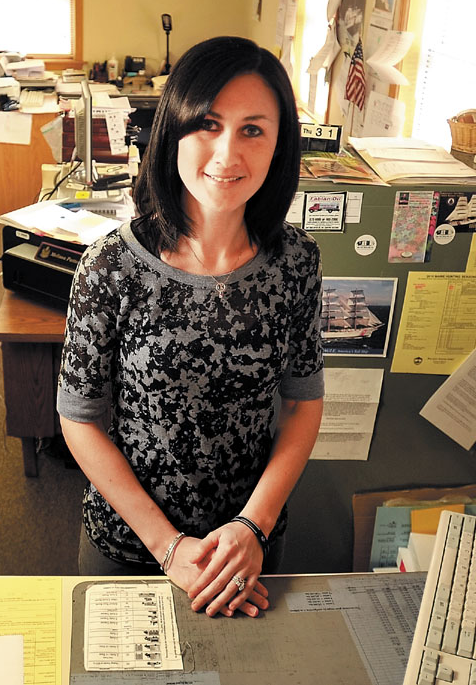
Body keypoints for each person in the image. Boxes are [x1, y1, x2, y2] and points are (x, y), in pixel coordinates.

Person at [56, 36, 324, 619]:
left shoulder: (296, 262)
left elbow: (303, 405)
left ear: (279, 146)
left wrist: (253, 525)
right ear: (172, 131)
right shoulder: (109, 268)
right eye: (207, 123)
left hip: (246, 548)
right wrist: (169, 546)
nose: (228, 154)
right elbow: (79, 420)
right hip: (131, 545)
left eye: (253, 129)